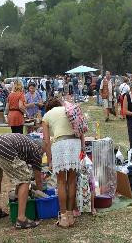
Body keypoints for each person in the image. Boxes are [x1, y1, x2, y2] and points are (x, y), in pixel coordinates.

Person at [42, 97, 85, 228]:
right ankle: (71, 215)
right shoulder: (68, 109)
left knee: (61, 181)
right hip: (74, 142)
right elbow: (81, 130)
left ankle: (64, 217)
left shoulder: (47, 115)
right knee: (72, 180)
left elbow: (46, 141)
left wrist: (49, 159)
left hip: (60, 144)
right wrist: (82, 146)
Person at [0, 133, 43, 229]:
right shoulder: (36, 150)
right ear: (40, 148)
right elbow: (38, 179)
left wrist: (17, 193)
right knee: (25, 178)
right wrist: (41, 194)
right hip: (3, 147)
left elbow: (17, 173)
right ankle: (21, 219)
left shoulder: (25, 146)